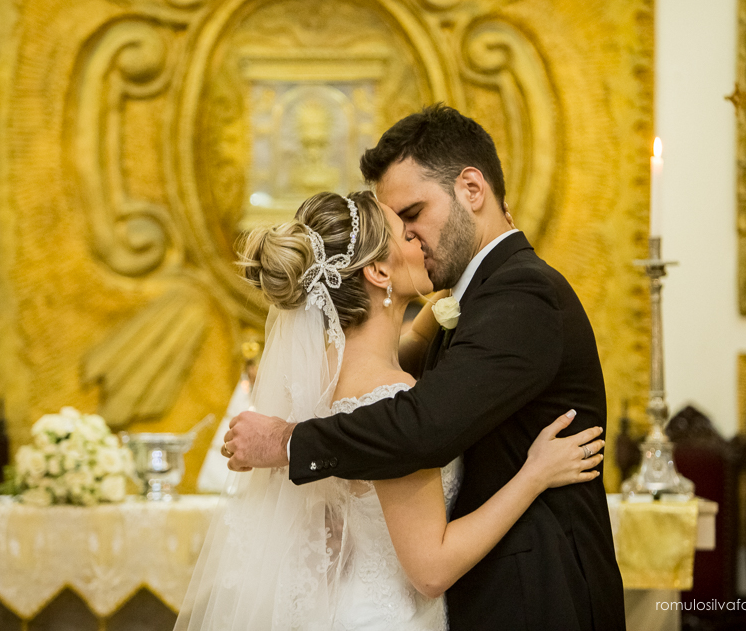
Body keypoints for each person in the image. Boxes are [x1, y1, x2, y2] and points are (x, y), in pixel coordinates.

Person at [224, 105, 627, 630]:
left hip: (538, 599)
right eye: (399, 228)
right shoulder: (461, 304)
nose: (411, 238)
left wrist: (288, 443)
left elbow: (422, 425)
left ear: (472, 189)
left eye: (413, 214)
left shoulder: (523, 292)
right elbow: (398, 401)